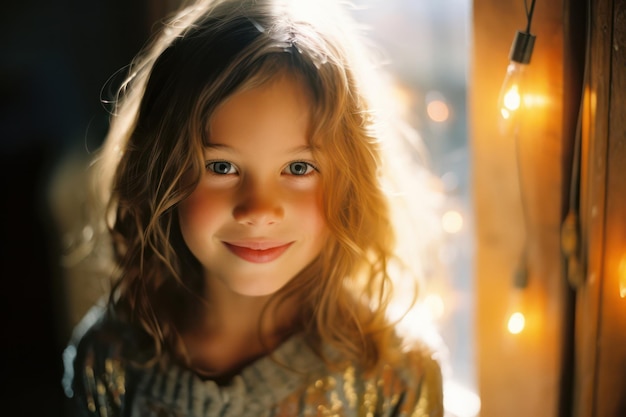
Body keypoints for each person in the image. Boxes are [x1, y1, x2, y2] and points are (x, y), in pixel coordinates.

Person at [62, 0, 446, 415]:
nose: (259, 210)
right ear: (158, 174)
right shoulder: (108, 358)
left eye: (298, 168)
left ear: (351, 183)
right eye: (222, 167)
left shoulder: (396, 373)